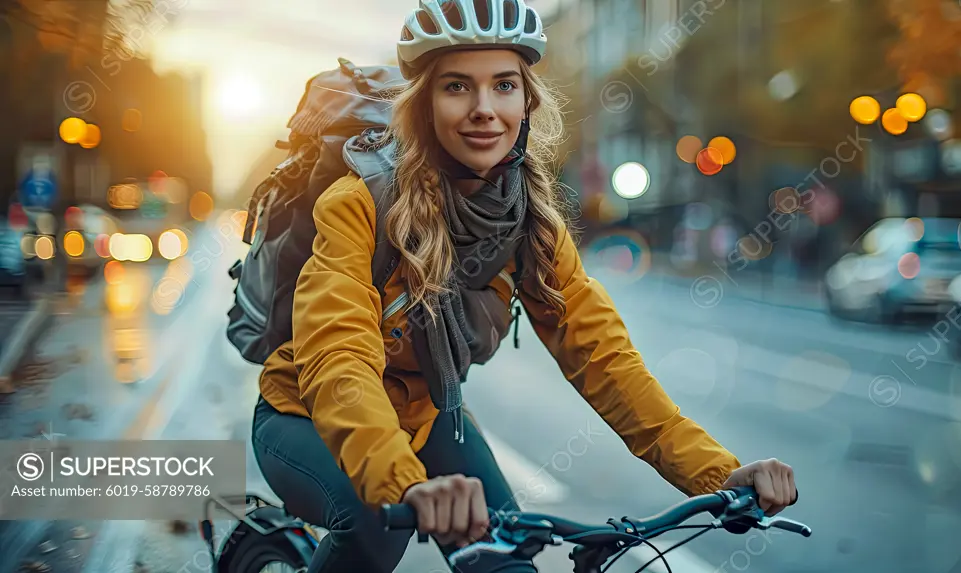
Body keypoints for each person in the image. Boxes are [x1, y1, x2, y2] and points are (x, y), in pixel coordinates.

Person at [250, 1, 798, 571]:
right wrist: (403, 483)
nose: (484, 109)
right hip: (307, 418)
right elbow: (339, 358)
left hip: (429, 420)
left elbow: (604, 359)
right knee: (375, 522)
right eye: (457, 86)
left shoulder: (529, 221)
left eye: (504, 85)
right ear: (423, 106)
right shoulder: (359, 203)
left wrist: (717, 472)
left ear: (527, 101)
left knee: (506, 560)